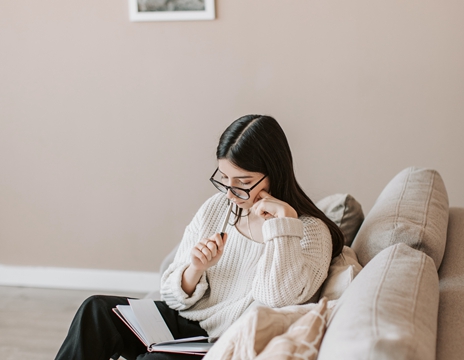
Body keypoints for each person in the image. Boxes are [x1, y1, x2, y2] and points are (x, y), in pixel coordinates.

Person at [55, 114, 344, 360]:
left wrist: (283, 228)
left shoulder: (311, 231)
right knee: (96, 310)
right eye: (223, 179)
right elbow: (170, 293)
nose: (230, 192)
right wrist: (195, 269)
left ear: (274, 173)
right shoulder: (218, 208)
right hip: (186, 323)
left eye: (243, 183)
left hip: (217, 343)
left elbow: (278, 300)